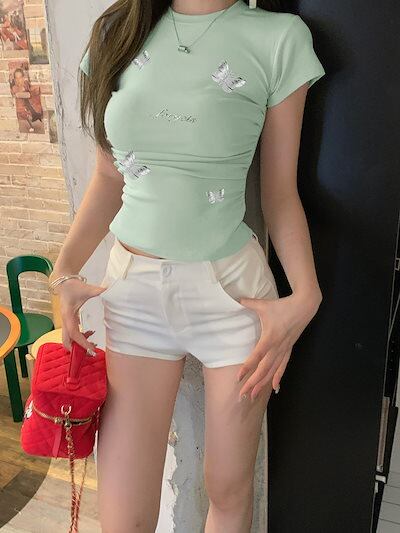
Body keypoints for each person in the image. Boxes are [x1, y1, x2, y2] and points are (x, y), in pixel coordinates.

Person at [49, 0, 325, 530]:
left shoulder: (279, 37)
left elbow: (279, 192)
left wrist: (306, 296)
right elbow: (108, 177)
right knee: (123, 517)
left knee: (227, 490)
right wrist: (64, 274)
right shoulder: (116, 31)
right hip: (132, 295)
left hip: (233, 296)